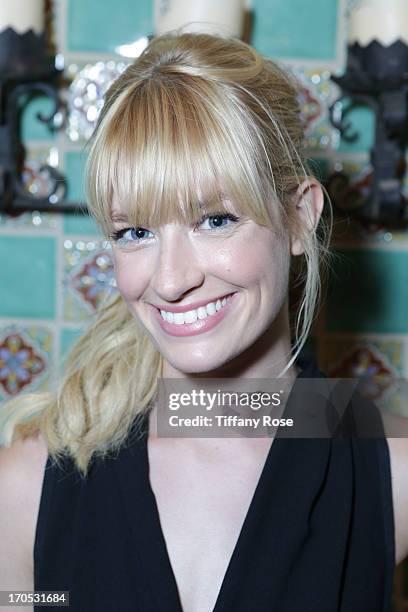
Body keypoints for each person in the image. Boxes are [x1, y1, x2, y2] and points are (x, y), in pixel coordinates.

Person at [0, 31, 407, 612]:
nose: (169, 281)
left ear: (299, 219)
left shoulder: (390, 476)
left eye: (214, 219)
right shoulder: (25, 488)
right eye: (135, 232)